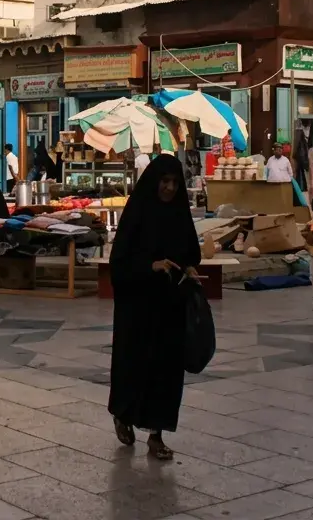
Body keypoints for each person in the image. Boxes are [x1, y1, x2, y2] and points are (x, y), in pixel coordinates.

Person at [108, 154, 200, 461]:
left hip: (169, 305)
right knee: (135, 366)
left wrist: (188, 268)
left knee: (166, 373)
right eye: (164, 181)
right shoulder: (138, 211)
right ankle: (123, 414)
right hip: (138, 306)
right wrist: (151, 266)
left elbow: (189, 250)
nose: (170, 189)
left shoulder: (178, 213)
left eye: (174, 183)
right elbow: (119, 262)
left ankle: (157, 435)